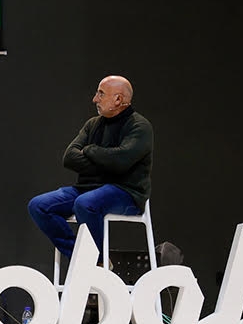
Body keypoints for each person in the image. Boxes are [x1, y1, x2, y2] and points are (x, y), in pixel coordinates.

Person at [27, 75, 153, 260]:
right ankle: (84, 259)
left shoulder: (139, 127)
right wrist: (108, 161)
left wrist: (90, 150)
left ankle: (97, 263)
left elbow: (121, 162)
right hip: (86, 190)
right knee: (39, 205)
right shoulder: (93, 124)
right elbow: (69, 158)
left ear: (118, 99)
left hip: (125, 192)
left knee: (86, 203)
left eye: (101, 94)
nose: (95, 99)